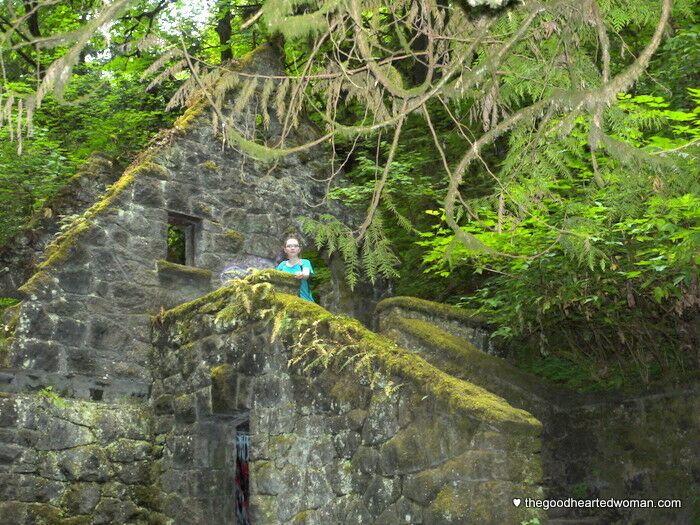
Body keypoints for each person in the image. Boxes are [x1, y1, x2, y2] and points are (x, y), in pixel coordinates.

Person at [276, 237, 315, 302]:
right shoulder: (282, 265)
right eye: (289, 246)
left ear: (299, 249)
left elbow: (306, 274)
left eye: (295, 246)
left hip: (305, 301)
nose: (292, 248)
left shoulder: (305, 262)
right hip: (286, 302)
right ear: (285, 250)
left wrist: (302, 274)